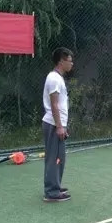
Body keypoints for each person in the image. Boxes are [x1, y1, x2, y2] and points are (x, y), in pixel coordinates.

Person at [42, 47, 74, 202]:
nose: (72, 64)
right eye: (69, 61)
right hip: (53, 124)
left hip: (57, 124)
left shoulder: (57, 78)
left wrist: (62, 126)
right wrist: (59, 126)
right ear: (61, 61)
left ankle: (55, 185)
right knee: (53, 158)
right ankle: (51, 192)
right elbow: (54, 104)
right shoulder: (54, 78)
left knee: (59, 158)